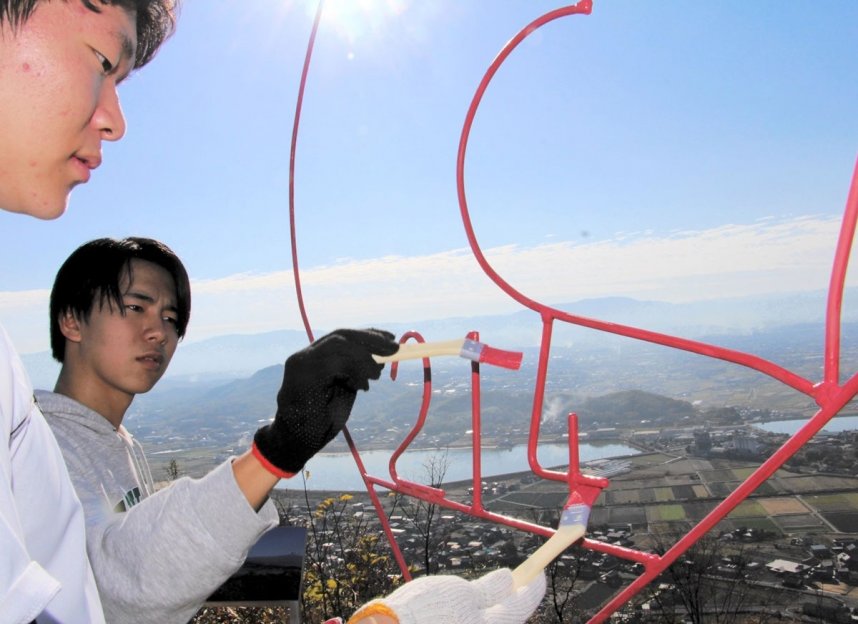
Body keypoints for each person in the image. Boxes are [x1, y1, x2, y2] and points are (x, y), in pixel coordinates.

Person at [0, 1, 177, 622]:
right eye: (104, 61)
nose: (117, 122)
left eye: (173, 317)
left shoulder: (112, 443)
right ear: (70, 320)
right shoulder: (54, 436)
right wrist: (272, 454)